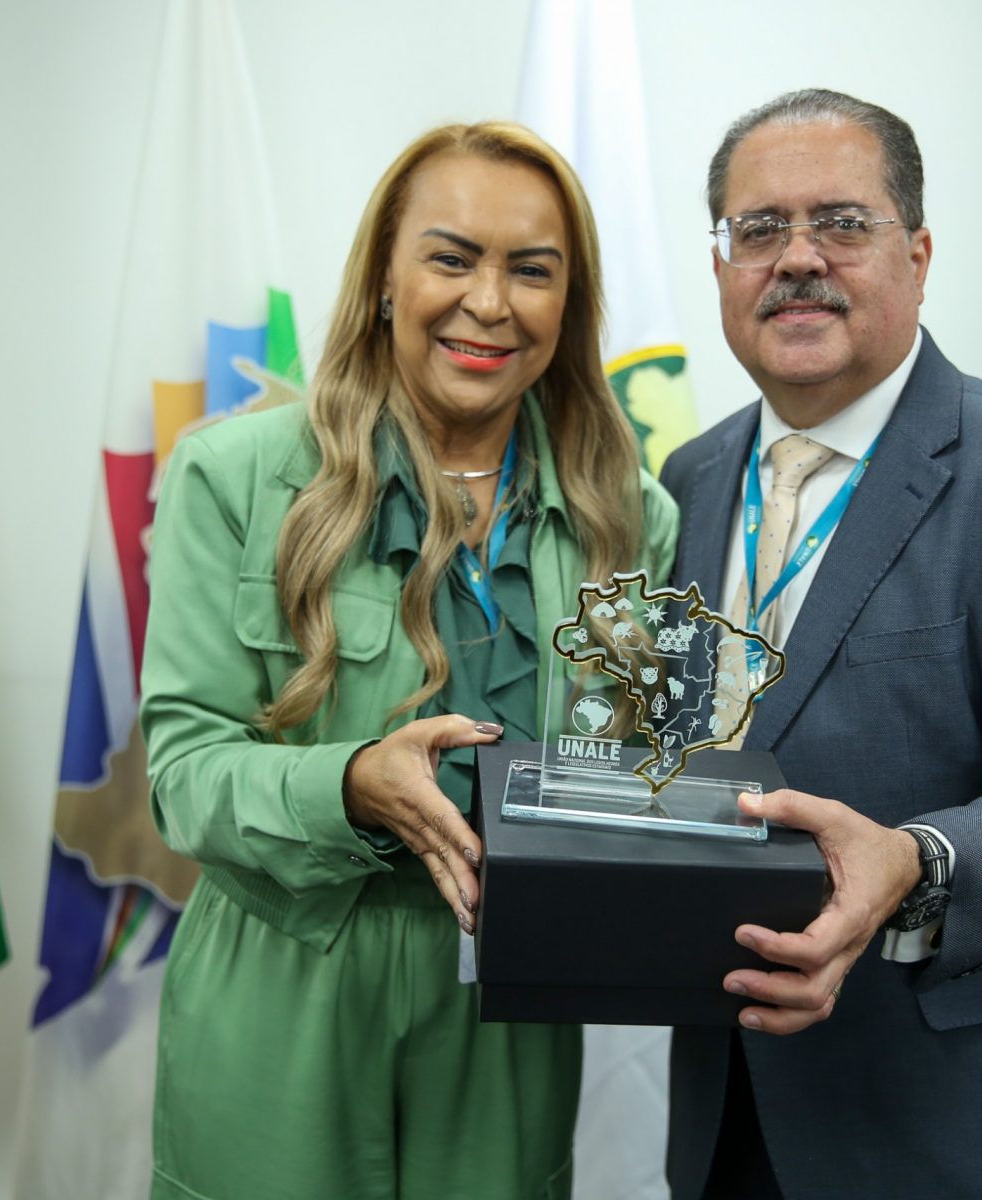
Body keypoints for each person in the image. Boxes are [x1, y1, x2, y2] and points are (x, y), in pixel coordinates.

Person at [139, 121, 677, 1200]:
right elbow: (180, 776)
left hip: (509, 999)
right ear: (384, 278)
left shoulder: (630, 517)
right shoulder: (233, 477)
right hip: (282, 978)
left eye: (533, 270)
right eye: (451, 258)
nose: (490, 302)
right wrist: (345, 783)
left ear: (568, 304)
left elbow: (633, 781)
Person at [657, 89, 982, 1199]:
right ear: (722, 265)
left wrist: (915, 863)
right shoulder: (687, 479)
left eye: (842, 223)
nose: (798, 258)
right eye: (759, 229)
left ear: (919, 256)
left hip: (964, 1128)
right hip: (731, 1103)